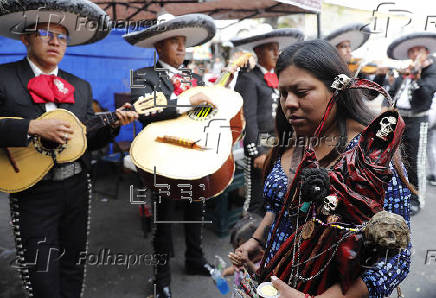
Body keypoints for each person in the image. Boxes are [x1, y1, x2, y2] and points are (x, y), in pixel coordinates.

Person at [232, 40, 412, 297]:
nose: (289, 103)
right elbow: (279, 208)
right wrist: (257, 240)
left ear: (337, 91)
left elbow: (396, 258)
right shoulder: (295, 138)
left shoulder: (373, 159)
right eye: (283, 93)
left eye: (301, 92)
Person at [0, 1, 138, 297]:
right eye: (45, 33)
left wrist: (113, 124)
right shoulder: (4, 77)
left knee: (74, 263)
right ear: (25, 38)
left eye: (62, 37)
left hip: (76, 186)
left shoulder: (80, 86)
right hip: (32, 191)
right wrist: (31, 128)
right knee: (42, 272)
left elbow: (87, 141)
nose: (55, 41)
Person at [124, 12, 216, 298]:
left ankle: (195, 259)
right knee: (163, 220)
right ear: (158, 46)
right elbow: (147, 112)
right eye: (174, 42)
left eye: (183, 43)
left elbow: (203, 114)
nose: (181, 48)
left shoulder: (195, 77)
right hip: (162, 158)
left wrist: (205, 109)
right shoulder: (142, 77)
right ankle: (160, 278)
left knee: (195, 212)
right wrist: (190, 102)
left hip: (194, 156)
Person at [232, 28, 304, 216]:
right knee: (256, 199)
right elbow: (247, 118)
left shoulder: (276, 78)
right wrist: (257, 152)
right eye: (270, 49)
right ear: (257, 52)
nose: (276, 53)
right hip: (260, 149)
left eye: (277, 49)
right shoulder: (248, 79)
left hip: (277, 146)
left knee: (273, 196)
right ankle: (246, 237)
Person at [386, 32, 436, 214]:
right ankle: (403, 192)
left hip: (418, 119)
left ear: (425, 52)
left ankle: (417, 198)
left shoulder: (431, 70)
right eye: (412, 51)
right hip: (400, 118)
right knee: (399, 158)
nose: (414, 54)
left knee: (415, 160)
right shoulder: (405, 72)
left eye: (418, 51)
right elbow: (393, 92)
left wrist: (415, 75)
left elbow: (426, 91)